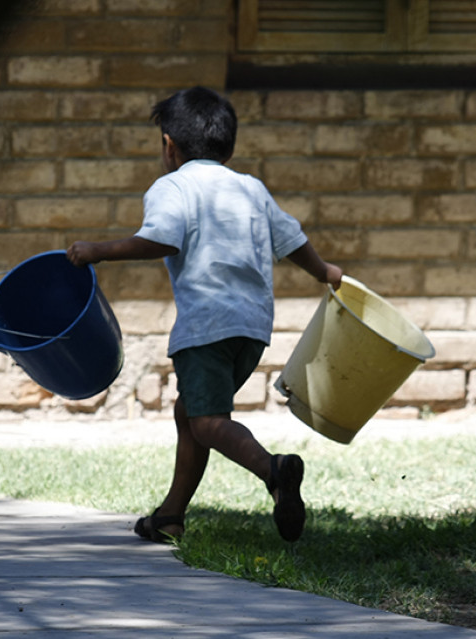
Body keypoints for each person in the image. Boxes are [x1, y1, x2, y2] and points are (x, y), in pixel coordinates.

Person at [66, 86, 342, 543]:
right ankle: (171, 515)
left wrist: (100, 251)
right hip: (252, 329)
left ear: (169, 145)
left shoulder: (172, 186)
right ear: (227, 145)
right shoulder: (251, 187)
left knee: (207, 422)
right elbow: (291, 239)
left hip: (206, 327)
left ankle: (274, 470)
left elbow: (163, 238)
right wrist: (325, 272)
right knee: (190, 412)